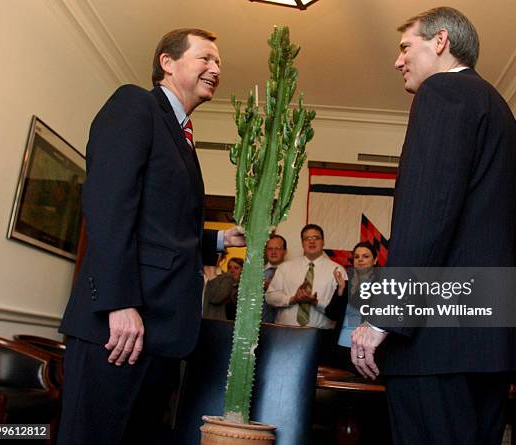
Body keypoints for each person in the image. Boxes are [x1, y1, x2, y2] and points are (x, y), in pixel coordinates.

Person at [58, 28, 244, 444]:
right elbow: (109, 206)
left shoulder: (181, 136)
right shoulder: (135, 105)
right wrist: (118, 301)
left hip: (161, 332)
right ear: (167, 61)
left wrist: (216, 240)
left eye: (219, 63)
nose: (216, 69)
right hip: (120, 325)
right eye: (206, 58)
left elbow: (160, 224)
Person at [350, 7, 516, 445]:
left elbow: (428, 215)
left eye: (406, 46)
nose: (398, 60)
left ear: (441, 41)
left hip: (437, 344)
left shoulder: (443, 92)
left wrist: (384, 316)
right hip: (488, 343)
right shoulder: (500, 111)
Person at [266, 224, 347, 329]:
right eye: (307, 238)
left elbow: (339, 308)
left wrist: (315, 302)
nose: (312, 241)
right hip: (285, 333)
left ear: (323, 242)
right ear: (302, 243)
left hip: (321, 335)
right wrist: (292, 299)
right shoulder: (285, 268)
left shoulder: (337, 270)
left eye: (316, 238)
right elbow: (270, 297)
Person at [326, 241, 378, 371]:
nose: (360, 260)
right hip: (341, 346)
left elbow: (363, 304)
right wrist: (341, 289)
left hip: (366, 348)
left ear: (375, 260)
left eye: (366, 256)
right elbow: (331, 314)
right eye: (357, 257)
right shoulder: (345, 284)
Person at [262, 234, 287, 322]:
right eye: (270, 249)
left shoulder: (291, 273)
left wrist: (272, 288)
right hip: (257, 326)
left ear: (285, 251)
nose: (273, 252)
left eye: (277, 248)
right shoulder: (256, 273)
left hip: (281, 326)